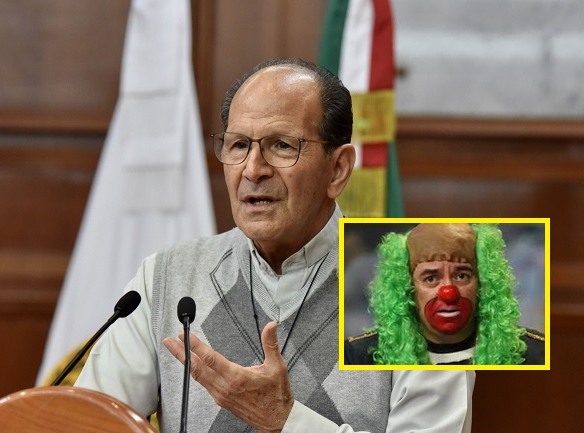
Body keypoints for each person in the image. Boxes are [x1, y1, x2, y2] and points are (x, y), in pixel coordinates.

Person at [75, 58, 475, 432]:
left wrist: (286, 421)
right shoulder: (167, 279)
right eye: (238, 145)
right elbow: (86, 422)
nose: (253, 169)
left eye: (282, 145)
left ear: (338, 170)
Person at [345, 223, 545, 365]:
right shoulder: (357, 356)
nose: (449, 292)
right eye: (431, 278)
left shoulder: (536, 353)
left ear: (484, 283)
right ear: (407, 287)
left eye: (461, 275)